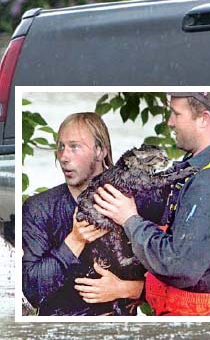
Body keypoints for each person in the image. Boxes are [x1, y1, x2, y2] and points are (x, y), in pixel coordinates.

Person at [94, 92, 210, 316]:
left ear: (204, 119)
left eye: (176, 114)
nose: (170, 122)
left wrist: (129, 219)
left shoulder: (204, 183)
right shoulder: (189, 172)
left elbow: (181, 265)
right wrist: (133, 289)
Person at [22, 112, 144, 315]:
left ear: (100, 151)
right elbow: (32, 291)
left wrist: (128, 289)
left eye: (74, 147)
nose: (63, 157)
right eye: (60, 146)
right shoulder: (39, 208)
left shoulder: (131, 202)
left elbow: (174, 272)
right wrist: (75, 241)